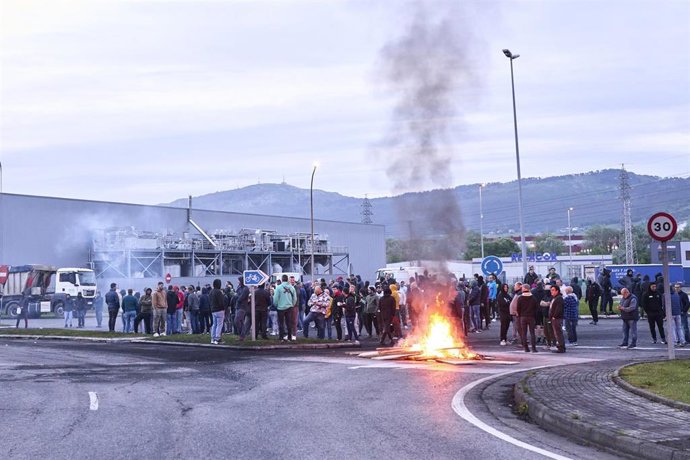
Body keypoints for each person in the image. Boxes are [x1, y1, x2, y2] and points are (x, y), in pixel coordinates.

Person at [273, 274, 297, 342]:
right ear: (287, 279)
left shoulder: (278, 287)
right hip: (289, 307)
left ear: (282, 279)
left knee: (281, 323)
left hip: (280, 307)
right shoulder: (291, 287)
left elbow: (275, 298)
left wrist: (276, 305)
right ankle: (289, 337)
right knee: (289, 322)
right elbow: (295, 298)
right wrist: (292, 304)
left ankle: (281, 338)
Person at [517, 284, 538, 353]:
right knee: (532, 333)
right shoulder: (533, 298)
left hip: (523, 316)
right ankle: (534, 348)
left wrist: (520, 315)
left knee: (524, 333)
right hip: (531, 317)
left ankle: (526, 348)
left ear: (524, 289)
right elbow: (536, 308)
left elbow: (518, 308)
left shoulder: (520, 298)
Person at [548, 285, 566, 353]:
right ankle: (560, 346)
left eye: (553, 290)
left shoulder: (559, 298)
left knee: (558, 333)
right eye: (551, 290)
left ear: (557, 291)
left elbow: (559, 309)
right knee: (556, 333)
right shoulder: (554, 298)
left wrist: (554, 316)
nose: (551, 292)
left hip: (557, 319)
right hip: (554, 318)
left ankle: (561, 347)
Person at [209, 279, 225, 344]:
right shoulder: (219, 292)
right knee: (219, 325)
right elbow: (221, 302)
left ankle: (212, 338)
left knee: (214, 324)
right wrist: (224, 308)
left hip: (213, 310)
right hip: (219, 310)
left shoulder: (211, 292)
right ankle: (217, 338)